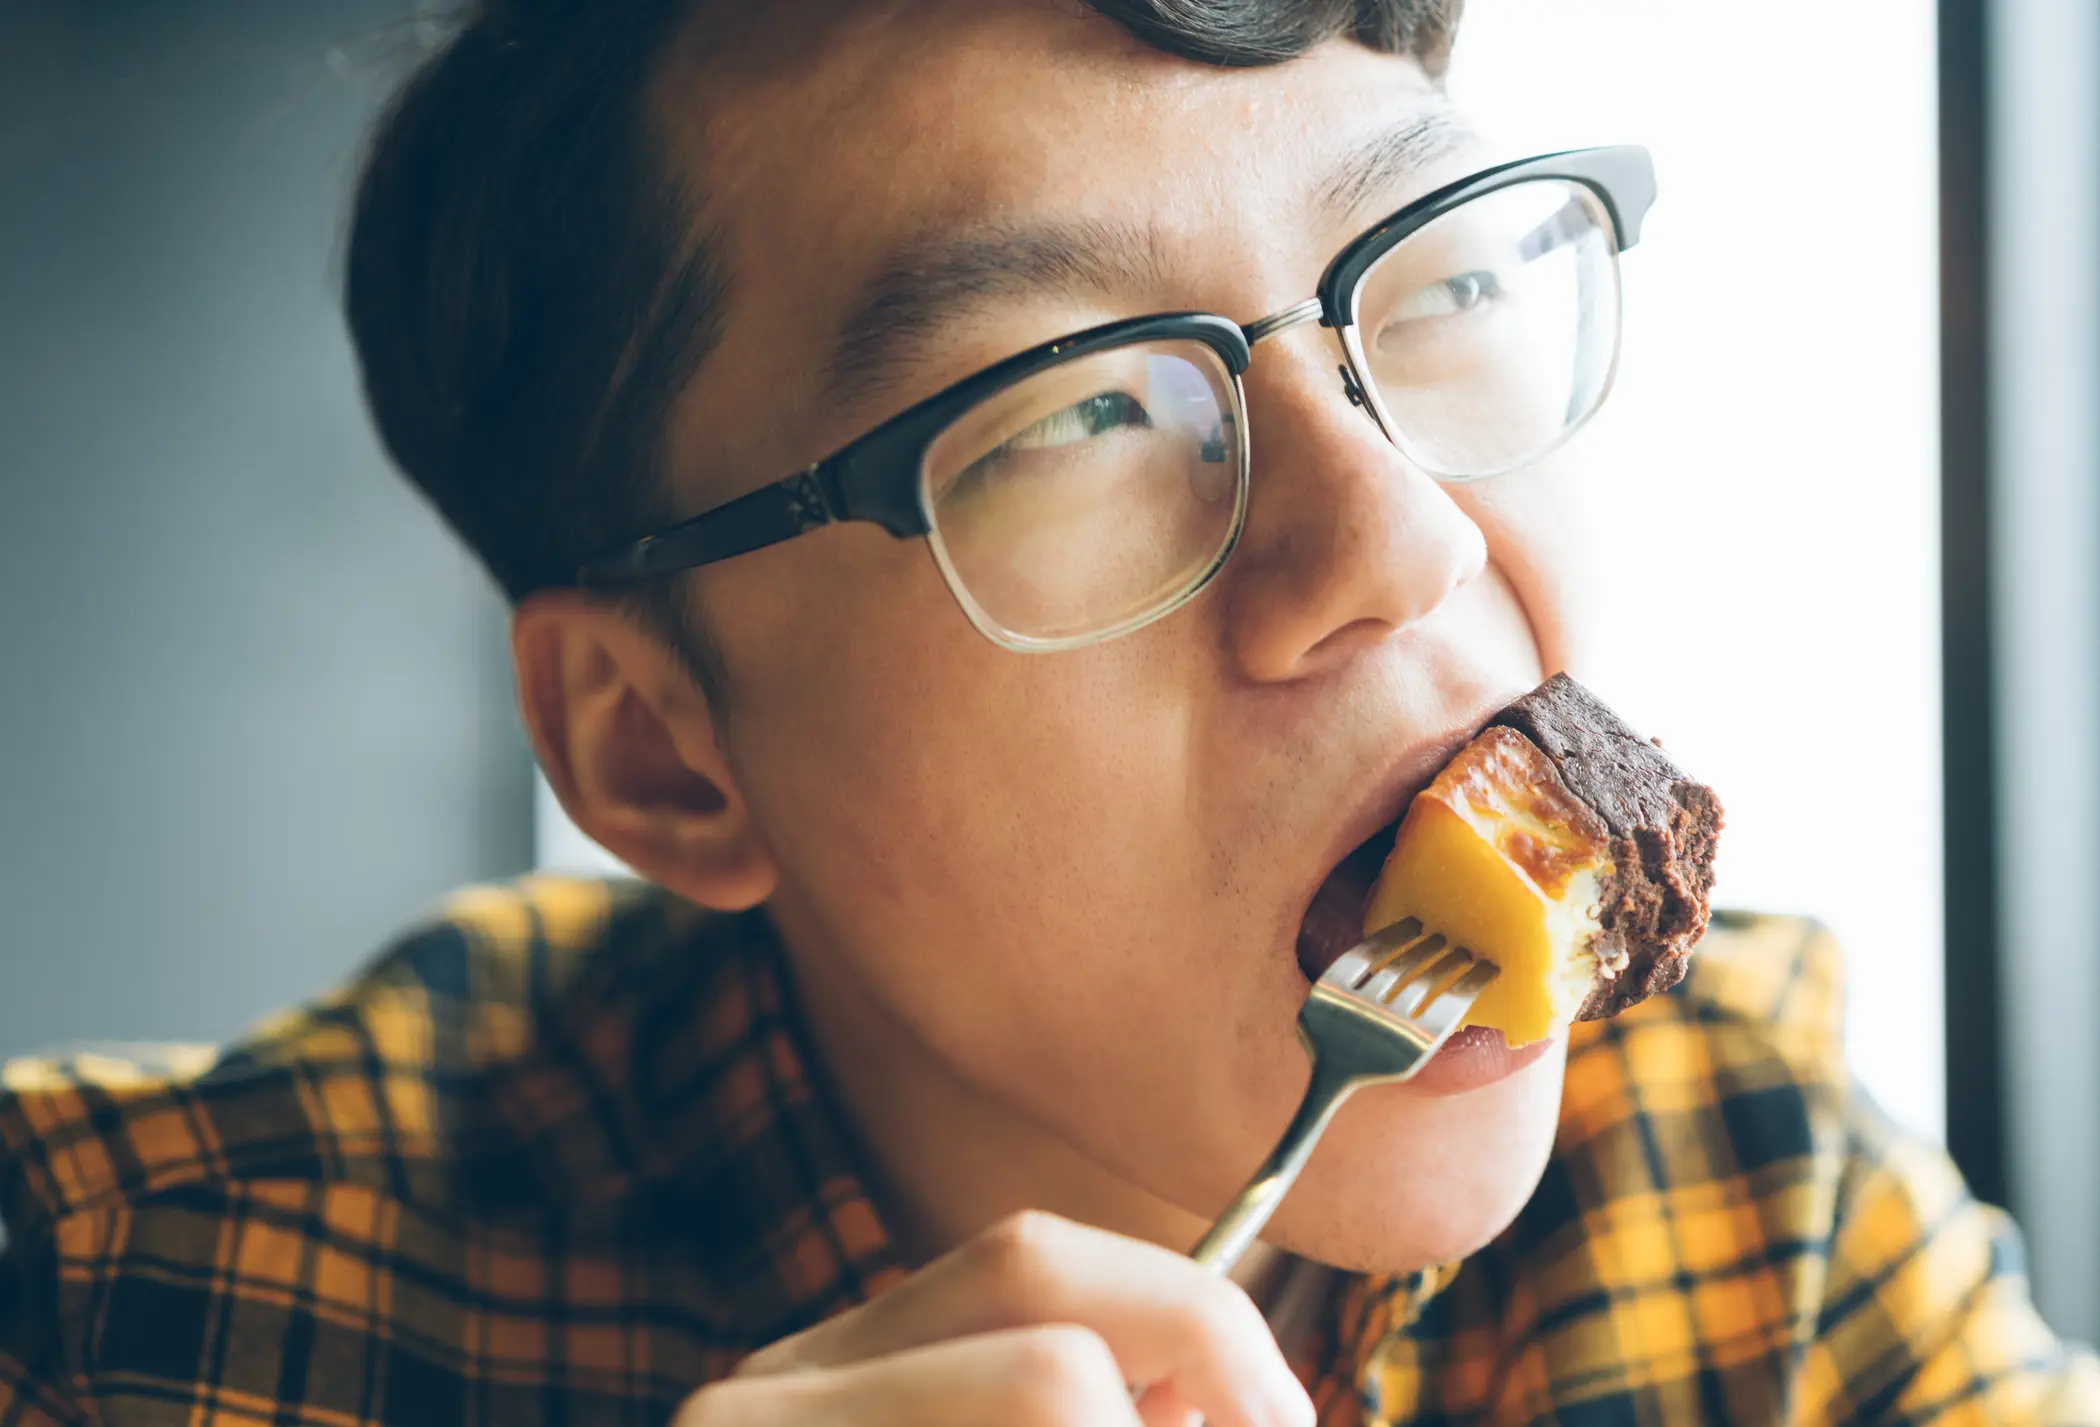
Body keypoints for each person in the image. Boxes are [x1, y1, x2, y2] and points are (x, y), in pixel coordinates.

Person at [2, 2, 2095, 1423]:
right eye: (1081, 410)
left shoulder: (1745, 1177)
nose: (1400, 540)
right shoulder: (113, 1296)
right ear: (659, 745)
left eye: (1434, 275)